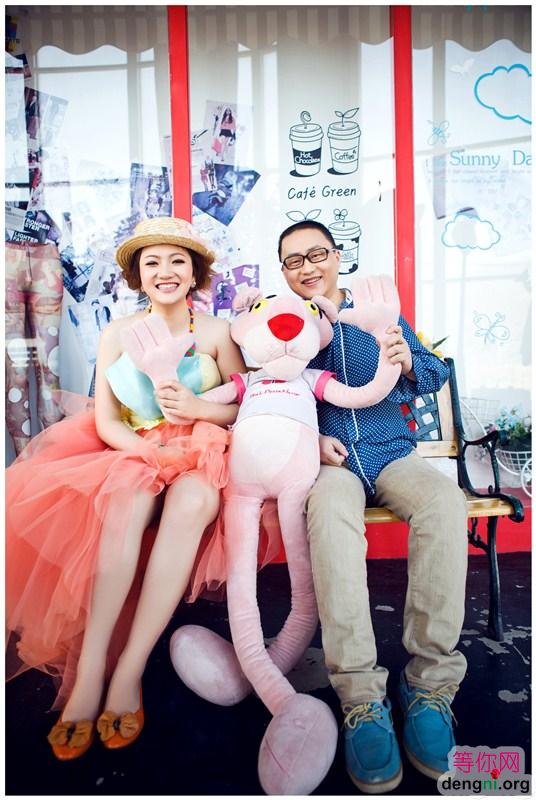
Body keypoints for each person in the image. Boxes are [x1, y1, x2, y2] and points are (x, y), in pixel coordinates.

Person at [6, 216, 246, 760]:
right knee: (127, 497)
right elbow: (107, 419)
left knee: (193, 501)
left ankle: (129, 671)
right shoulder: (118, 333)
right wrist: (146, 453)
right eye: (152, 262)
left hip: (204, 450)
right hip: (135, 449)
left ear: (195, 272)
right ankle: (91, 671)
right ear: (138, 275)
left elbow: (242, 405)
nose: (165, 271)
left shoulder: (217, 333)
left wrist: (199, 407)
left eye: (177, 260)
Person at [278, 220, 468, 794]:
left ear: (338, 256)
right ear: (283, 272)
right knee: (330, 516)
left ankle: (429, 686)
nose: (307, 267)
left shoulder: (379, 311)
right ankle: (361, 697)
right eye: (293, 260)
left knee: (443, 501)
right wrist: (308, 439)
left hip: (391, 455)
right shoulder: (282, 324)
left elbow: (435, 374)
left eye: (316, 254)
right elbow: (270, 394)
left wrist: (406, 358)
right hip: (330, 463)